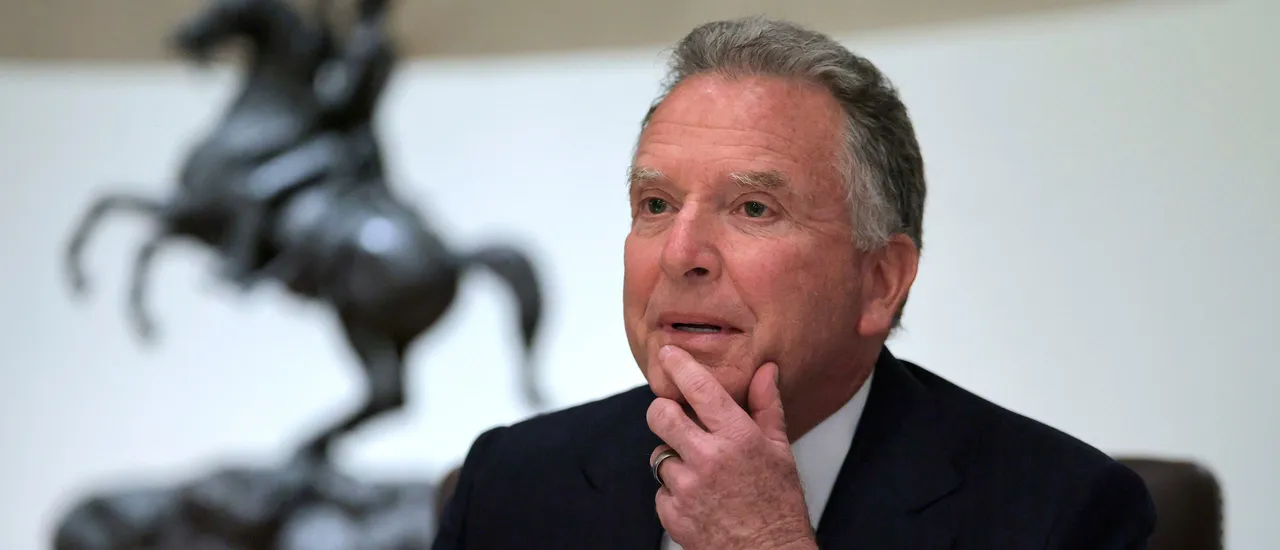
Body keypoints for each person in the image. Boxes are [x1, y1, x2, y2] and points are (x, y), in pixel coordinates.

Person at [432, 16, 1156, 550]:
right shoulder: (513, 484)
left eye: (753, 208)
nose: (681, 253)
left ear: (881, 281)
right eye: (655, 205)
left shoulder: (1062, 516)